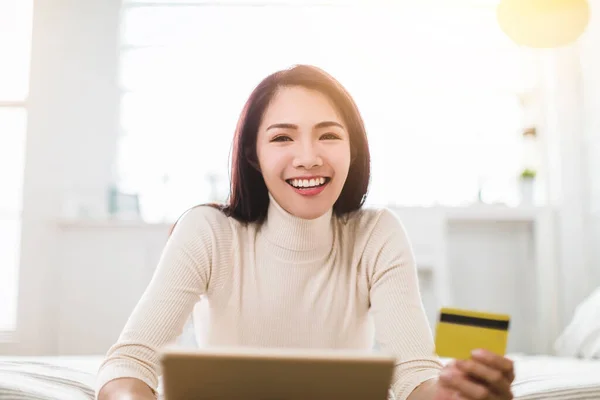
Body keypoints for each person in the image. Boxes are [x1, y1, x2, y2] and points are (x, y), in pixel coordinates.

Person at [96, 64, 515, 400]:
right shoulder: (207, 231)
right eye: (282, 138)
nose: (309, 158)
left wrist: (457, 394)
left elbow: (414, 374)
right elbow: (129, 361)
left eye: (329, 136)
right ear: (253, 156)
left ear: (353, 147)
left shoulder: (377, 235)